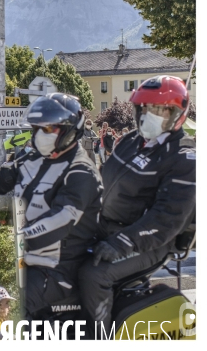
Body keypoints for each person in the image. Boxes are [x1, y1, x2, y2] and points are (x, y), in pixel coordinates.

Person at [0, 93, 102, 319]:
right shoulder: (37, 160)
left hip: (61, 270)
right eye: (36, 129)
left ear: (69, 130)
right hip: (30, 264)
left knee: (3, 312)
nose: (38, 135)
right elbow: (0, 177)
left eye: (46, 130)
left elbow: (59, 221)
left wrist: (12, 241)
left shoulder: (81, 172)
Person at [79, 76, 196, 334]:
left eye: (160, 110)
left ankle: (99, 339)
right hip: (104, 227)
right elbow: (102, 180)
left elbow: (167, 220)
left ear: (177, 114)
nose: (149, 115)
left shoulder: (183, 158)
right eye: (144, 108)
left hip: (148, 241)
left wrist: (123, 243)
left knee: (94, 275)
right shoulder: (132, 141)